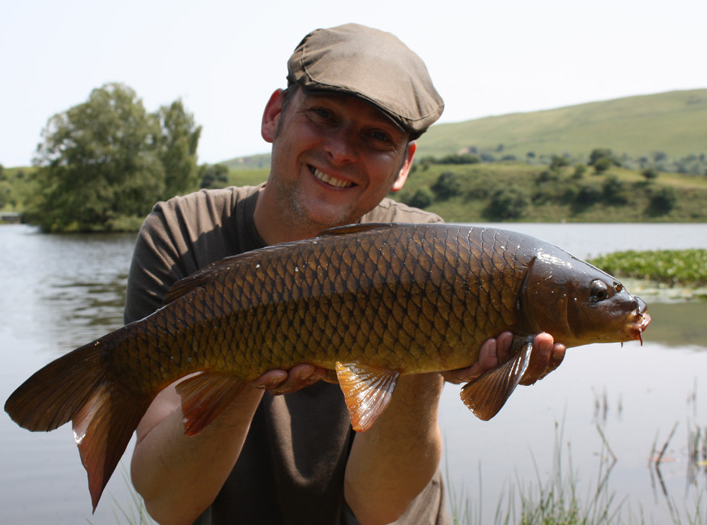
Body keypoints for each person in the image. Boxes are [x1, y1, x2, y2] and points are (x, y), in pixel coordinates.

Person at [124, 23, 566, 525]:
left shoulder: (435, 254)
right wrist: (246, 356)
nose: (340, 150)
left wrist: (431, 350)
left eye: (376, 137)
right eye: (323, 116)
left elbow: (379, 508)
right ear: (275, 115)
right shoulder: (184, 232)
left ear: (403, 165)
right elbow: (167, 503)